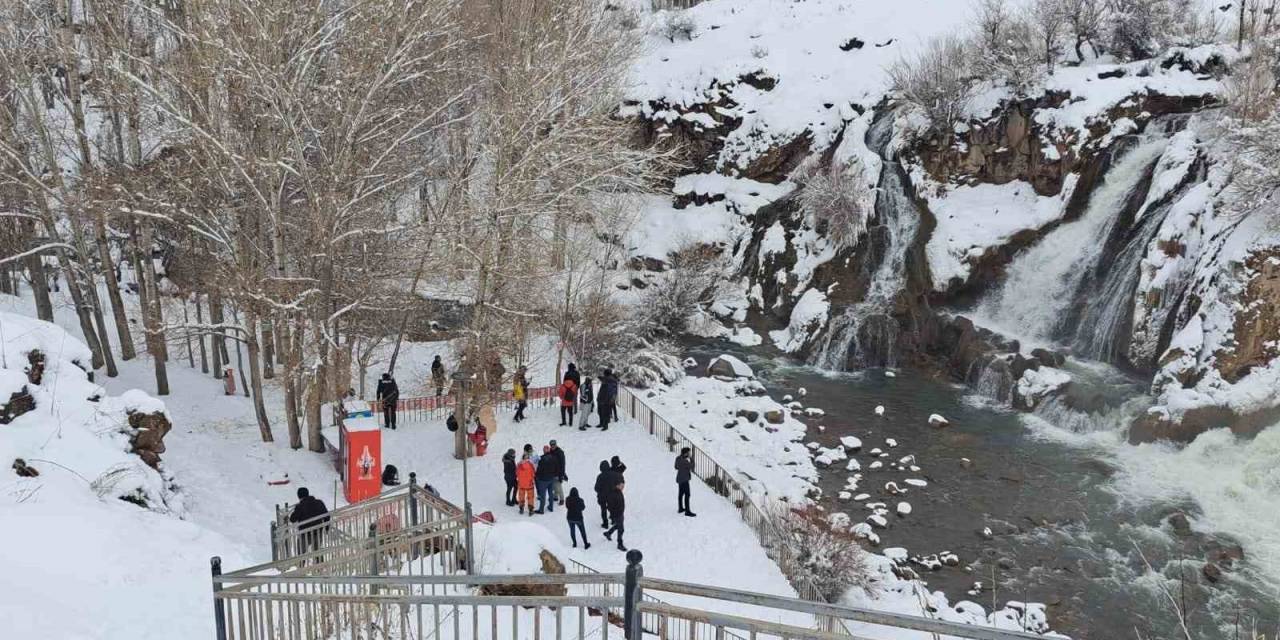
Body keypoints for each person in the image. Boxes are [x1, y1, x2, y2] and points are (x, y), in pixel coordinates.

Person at [288, 487, 330, 556]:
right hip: (318, 531)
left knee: (301, 553)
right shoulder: (319, 502)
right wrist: (326, 527)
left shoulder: (300, 506)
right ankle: (319, 564)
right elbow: (327, 516)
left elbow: (292, 519)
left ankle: (301, 564)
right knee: (318, 551)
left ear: (299, 496)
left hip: (305, 533)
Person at [603, 480, 627, 551]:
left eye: (623, 486)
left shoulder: (618, 492)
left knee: (618, 525)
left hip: (620, 513)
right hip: (617, 514)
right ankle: (620, 544)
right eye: (622, 486)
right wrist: (615, 513)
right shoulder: (613, 494)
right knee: (621, 529)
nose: (623, 487)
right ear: (617, 485)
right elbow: (610, 506)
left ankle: (608, 533)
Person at [535, 445, 557, 514]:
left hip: (543, 480)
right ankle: (551, 507)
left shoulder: (541, 458)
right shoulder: (553, 457)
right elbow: (556, 467)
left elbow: (539, 469)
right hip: (551, 479)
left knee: (542, 495)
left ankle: (541, 510)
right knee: (550, 493)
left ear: (544, 451)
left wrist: (537, 476)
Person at [675, 448, 696, 516]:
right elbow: (692, 466)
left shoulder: (678, 458)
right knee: (687, 494)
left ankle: (680, 508)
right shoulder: (684, 461)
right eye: (689, 452)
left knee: (681, 494)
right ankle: (687, 511)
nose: (690, 453)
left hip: (679, 479)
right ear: (686, 453)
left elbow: (676, 467)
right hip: (684, 480)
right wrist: (691, 458)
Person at [593, 460, 612, 529]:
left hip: (602, 496)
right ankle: (613, 519)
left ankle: (605, 523)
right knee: (611, 507)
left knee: (603, 510)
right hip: (611, 495)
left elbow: (596, 488)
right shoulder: (612, 475)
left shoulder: (600, 477)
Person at [548, 440, 567, 505]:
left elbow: (563, 464)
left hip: (558, 472)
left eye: (554, 445)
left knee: (558, 486)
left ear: (556, 444)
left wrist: (562, 474)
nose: (552, 446)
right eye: (551, 445)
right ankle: (555, 496)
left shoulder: (560, 452)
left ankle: (562, 499)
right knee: (553, 485)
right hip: (551, 472)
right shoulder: (550, 451)